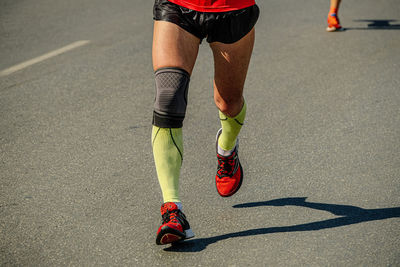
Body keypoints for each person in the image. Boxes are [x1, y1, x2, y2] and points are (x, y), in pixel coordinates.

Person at [151, 0, 259, 245]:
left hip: (232, 9)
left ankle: (227, 148)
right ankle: (172, 209)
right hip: (178, 6)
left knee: (228, 102)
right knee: (168, 100)